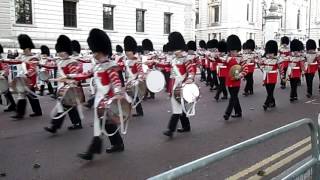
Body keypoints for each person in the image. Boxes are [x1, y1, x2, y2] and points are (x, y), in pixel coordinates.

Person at [78, 28, 126, 160]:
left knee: (100, 124)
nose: (94, 55)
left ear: (102, 52)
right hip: (99, 98)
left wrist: (117, 93)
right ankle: (118, 144)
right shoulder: (97, 66)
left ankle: (91, 151)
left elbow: (116, 81)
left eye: (96, 52)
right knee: (107, 124)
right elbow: (85, 75)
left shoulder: (109, 66)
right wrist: (69, 77)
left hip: (107, 99)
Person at [44, 35, 85, 133]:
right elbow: (50, 66)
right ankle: (77, 123)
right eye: (59, 51)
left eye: (62, 51)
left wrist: (65, 80)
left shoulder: (72, 62)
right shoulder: (59, 61)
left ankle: (54, 126)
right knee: (68, 107)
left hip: (69, 87)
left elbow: (73, 76)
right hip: (61, 87)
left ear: (67, 51)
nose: (60, 53)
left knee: (63, 107)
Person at [163, 32, 196, 138]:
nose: (174, 52)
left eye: (176, 50)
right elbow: (168, 69)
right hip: (174, 86)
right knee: (180, 106)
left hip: (182, 86)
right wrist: (153, 63)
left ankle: (170, 129)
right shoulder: (173, 59)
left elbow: (191, 70)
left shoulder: (186, 59)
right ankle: (186, 126)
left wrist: (190, 78)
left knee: (176, 108)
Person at [7, 34, 42, 119]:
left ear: (29, 48)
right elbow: (15, 61)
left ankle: (36, 111)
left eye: (25, 49)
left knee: (31, 95)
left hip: (30, 79)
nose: (24, 50)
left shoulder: (34, 57)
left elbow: (32, 70)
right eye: (23, 49)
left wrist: (26, 76)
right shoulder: (22, 56)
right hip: (22, 78)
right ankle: (20, 113)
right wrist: (5, 60)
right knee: (22, 94)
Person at [223, 35, 248, 121]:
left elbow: (246, 69)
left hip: (236, 80)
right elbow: (219, 61)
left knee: (233, 97)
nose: (233, 53)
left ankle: (227, 113)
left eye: (234, 51)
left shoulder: (241, 59)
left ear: (237, 50)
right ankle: (238, 112)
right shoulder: (227, 58)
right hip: (229, 80)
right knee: (234, 97)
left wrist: (240, 75)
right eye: (231, 51)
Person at [124, 36, 144, 117]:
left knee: (133, 97)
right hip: (128, 81)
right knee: (131, 97)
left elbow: (141, 72)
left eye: (128, 51)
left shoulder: (137, 61)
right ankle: (138, 112)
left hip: (134, 81)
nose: (127, 53)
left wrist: (137, 80)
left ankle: (128, 112)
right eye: (126, 51)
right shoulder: (126, 61)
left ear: (133, 52)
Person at [258, 40, 279, 110]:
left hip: (273, 77)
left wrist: (283, 77)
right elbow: (260, 65)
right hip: (266, 77)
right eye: (268, 53)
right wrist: (262, 68)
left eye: (271, 53)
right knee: (269, 91)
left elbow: (281, 69)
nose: (270, 55)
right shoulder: (264, 59)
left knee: (270, 91)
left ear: (274, 53)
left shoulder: (277, 60)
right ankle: (273, 102)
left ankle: (266, 104)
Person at [0, 44, 16, 112]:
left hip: (2, 76)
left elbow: (4, 68)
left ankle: (12, 105)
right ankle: (12, 104)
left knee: (6, 91)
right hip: (2, 76)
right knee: (6, 91)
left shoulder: (2, 59)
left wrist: (2, 75)